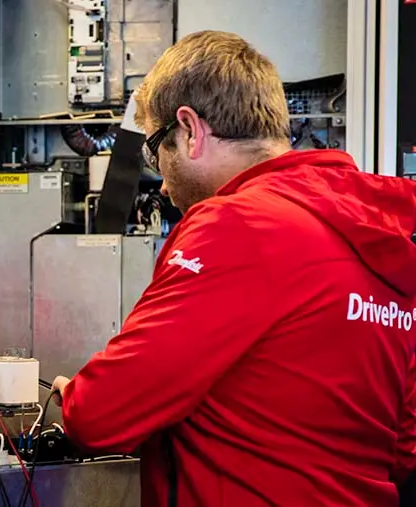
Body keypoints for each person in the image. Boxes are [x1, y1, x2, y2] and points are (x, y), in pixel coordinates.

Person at [51, 30, 416, 506]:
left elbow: (100, 416)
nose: (163, 186)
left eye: (157, 150)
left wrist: (76, 397)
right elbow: (404, 447)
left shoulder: (238, 225)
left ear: (190, 130)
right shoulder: (378, 229)